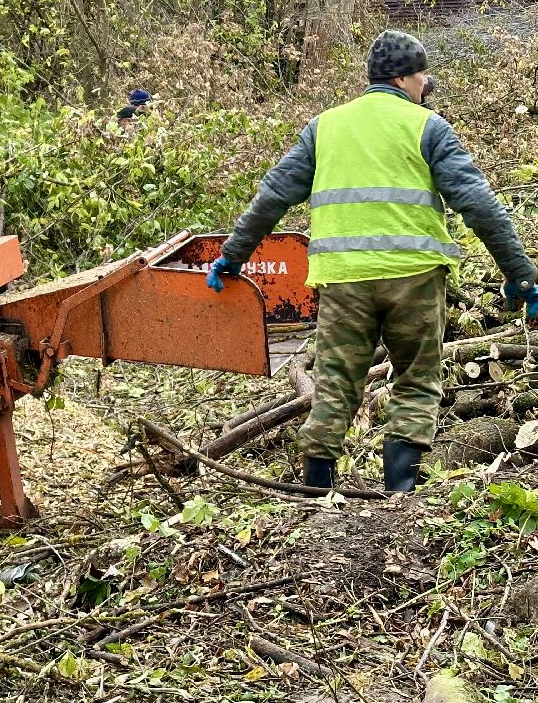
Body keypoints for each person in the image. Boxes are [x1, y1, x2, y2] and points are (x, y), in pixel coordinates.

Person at [206, 30, 538, 493]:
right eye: (422, 75)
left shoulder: (325, 127)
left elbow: (272, 197)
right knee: (416, 381)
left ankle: (316, 494)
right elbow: (480, 205)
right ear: (402, 78)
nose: (426, 84)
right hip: (415, 278)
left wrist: (232, 256)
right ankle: (399, 495)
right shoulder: (427, 127)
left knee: (335, 382)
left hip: (344, 281)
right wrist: (521, 275)